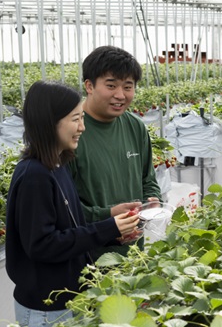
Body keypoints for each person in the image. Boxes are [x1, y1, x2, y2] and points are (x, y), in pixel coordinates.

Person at [6, 81, 140, 327]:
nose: (82, 127)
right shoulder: (34, 176)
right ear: (50, 122)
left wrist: (113, 232)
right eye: (75, 119)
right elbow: (42, 245)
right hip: (47, 311)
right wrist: (108, 228)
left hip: (71, 301)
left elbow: (71, 225)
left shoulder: (58, 166)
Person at [68, 45, 162, 256]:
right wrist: (109, 221)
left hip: (133, 252)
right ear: (89, 86)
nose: (120, 95)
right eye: (111, 86)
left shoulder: (135, 127)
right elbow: (64, 206)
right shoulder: (70, 132)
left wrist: (152, 202)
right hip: (88, 257)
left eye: (128, 87)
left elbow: (148, 180)